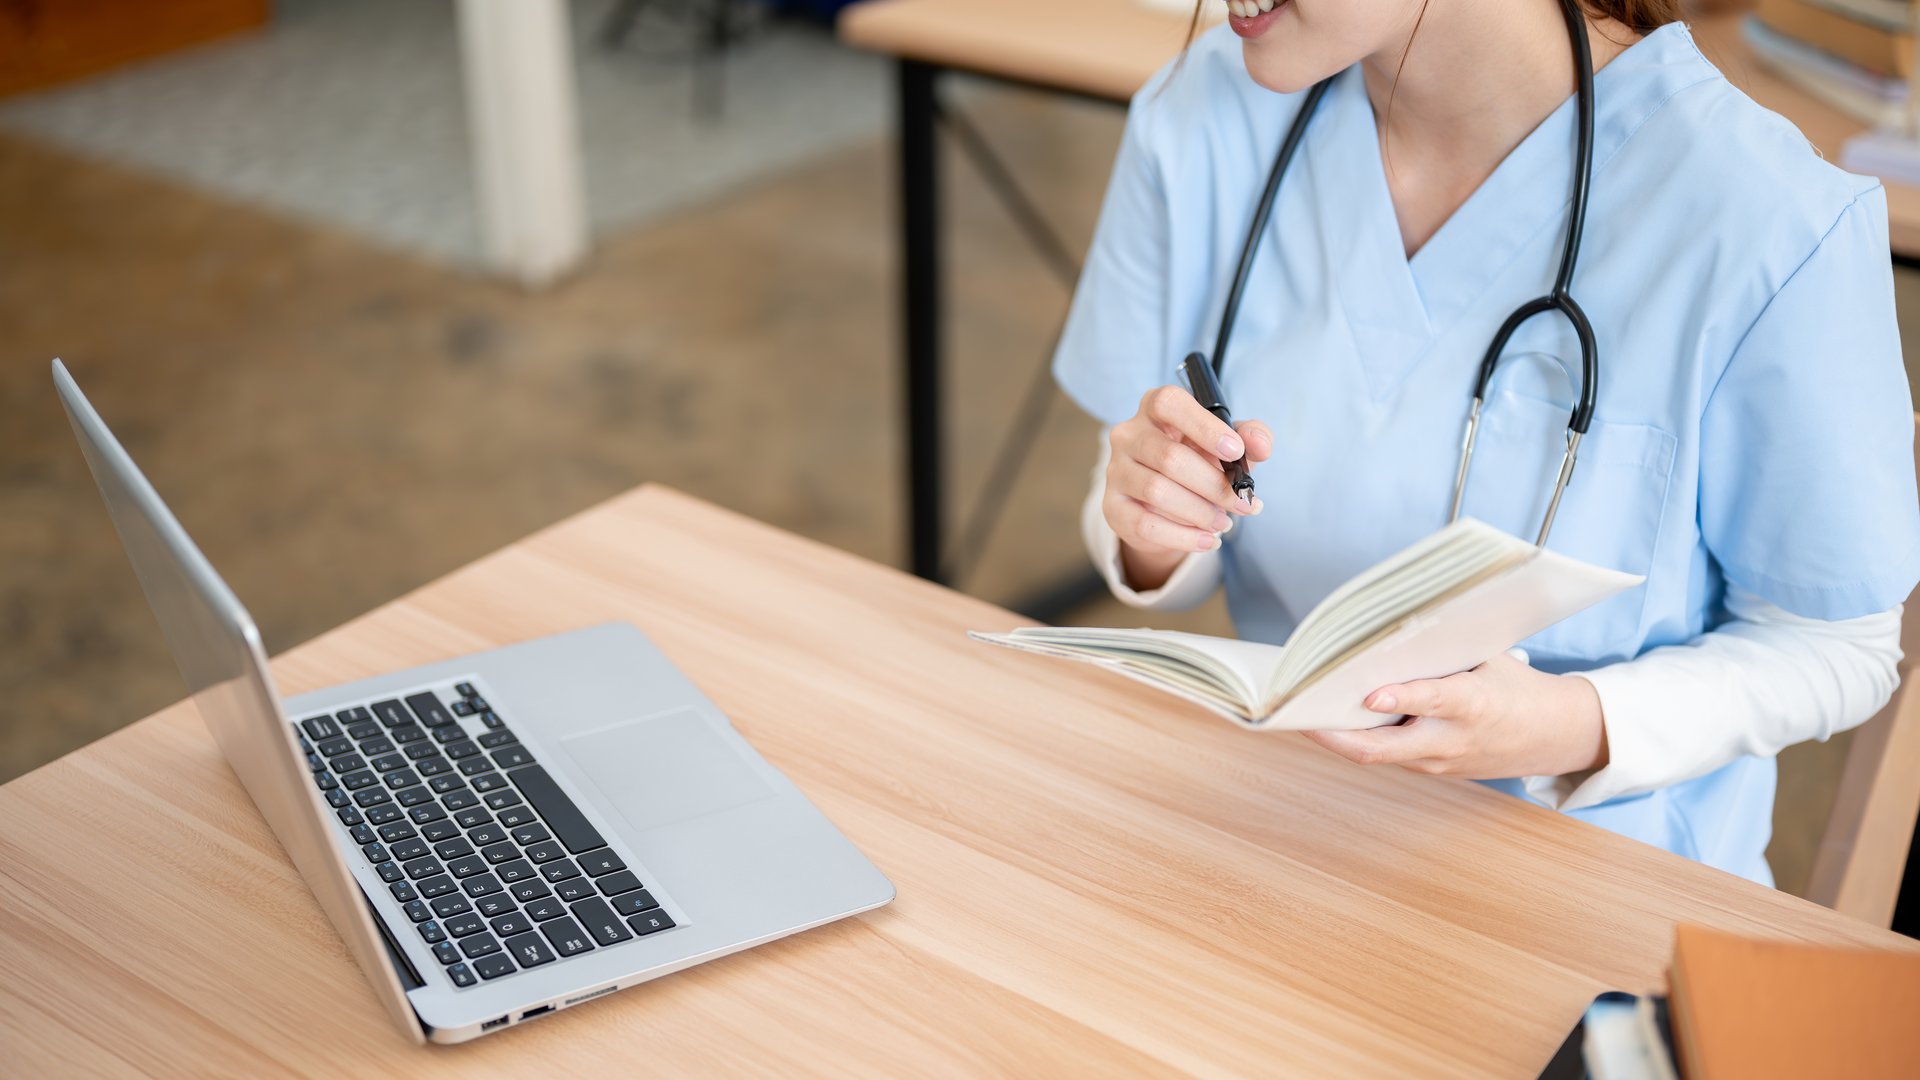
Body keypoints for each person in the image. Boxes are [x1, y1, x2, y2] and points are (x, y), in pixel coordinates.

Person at [1056, 0, 1920, 884]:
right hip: (1273, 834)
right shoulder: (1204, 106)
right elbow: (1136, 511)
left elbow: (1836, 648)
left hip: (1600, 900)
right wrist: (1151, 523)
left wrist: (1563, 725)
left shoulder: (1764, 217)